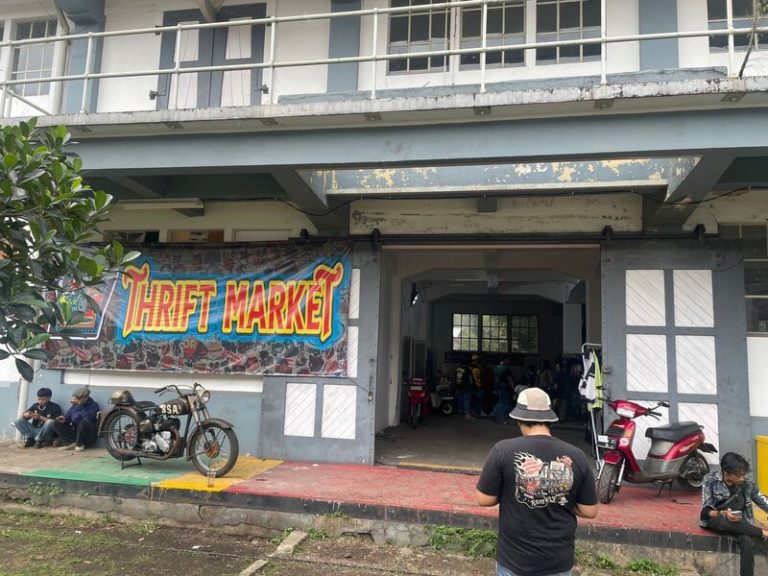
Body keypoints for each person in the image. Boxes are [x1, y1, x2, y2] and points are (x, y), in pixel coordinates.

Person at [476, 387, 599, 576]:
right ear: (549, 419)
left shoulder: (502, 450)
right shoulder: (577, 456)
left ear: (519, 419)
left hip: (514, 561)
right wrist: (557, 497)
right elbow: (590, 511)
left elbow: (484, 499)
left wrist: (515, 493)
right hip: (558, 563)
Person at [700, 452, 768, 576]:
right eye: (738, 475)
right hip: (720, 520)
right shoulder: (710, 480)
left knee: (747, 542)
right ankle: (762, 533)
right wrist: (723, 513)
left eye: (743, 474)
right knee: (722, 522)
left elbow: (764, 502)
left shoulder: (748, 484)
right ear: (726, 473)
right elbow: (705, 513)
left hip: (741, 524)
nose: (742, 478)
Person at [53, 387, 100, 452]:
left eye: (78, 398)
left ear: (86, 397)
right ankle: (71, 443)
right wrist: (63, 419)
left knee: (84, 421)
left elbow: (88, 417)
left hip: (88, 435)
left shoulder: (93, 405)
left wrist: (79, 407)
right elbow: (68, 417)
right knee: (56, 422)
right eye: (76, 398)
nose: (76, 400)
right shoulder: (75, 405)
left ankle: (79, 444)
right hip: (76, 433)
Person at [491, 357, 513, 425]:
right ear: (505, 360)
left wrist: (495, 388)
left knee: (500, 402)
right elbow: (509, 379)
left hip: (498, 387)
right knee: (504, 404)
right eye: (508, 360)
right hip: (505, 387)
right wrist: (513, 387)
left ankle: (494, 414)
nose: (509, 362)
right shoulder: (506, 368)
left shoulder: (496, 368)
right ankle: (501, 419)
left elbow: (495, 379)